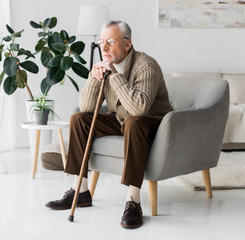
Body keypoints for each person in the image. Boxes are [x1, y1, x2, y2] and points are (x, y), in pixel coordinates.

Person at [45, 20, 174, 228]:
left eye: (111, 42)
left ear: (127, 44)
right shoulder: (105, 64)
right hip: (122, 120)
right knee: (79, 119)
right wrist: (95, 77)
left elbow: (139, 109)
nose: (103, 48)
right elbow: (85, 106)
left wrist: (114, 75)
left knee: (134, 122)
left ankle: (133, 201)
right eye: (101, 42)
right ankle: (81, 191)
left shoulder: (146, 65)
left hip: (154, 124)